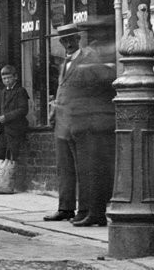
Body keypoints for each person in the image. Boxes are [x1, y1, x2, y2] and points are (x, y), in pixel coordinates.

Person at [43, 23, 116, 227]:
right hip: (64, 120)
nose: (68, 44)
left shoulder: (89, 59)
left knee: (86, 168)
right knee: (64, 167)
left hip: (83, 121)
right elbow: (63, 89)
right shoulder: (64, 63)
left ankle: (87, 210)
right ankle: (66, 208)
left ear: (78, 39)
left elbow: (97, 87)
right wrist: (54, 109)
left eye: (71, 39)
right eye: (64, 41)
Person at [0, 65, 29, 194]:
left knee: (11, 157)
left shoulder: (21, 91)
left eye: (9, 78)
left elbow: (23, 110)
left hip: (16, 129)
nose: (6, 80)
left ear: (15, 77)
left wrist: (5, 118)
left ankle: (8, 185)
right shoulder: (2, 92)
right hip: (4, 129)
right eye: (4, 78)